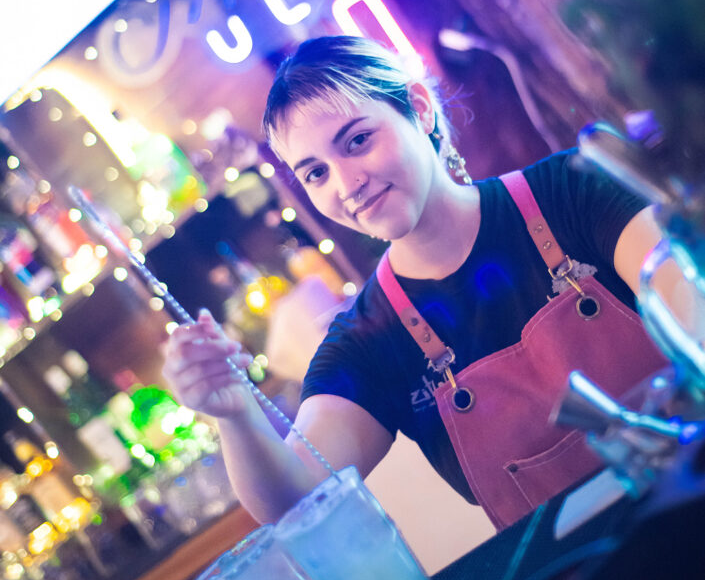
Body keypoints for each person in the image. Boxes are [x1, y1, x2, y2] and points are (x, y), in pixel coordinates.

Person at [163, 35, 679, 531]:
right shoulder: (368, 341)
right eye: (316, 173)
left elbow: (689, 299)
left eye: (358, 141)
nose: (347, 184)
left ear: (420, 109)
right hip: (584, 577)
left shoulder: (574, 189)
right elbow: (296, 501)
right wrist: (234, 415)